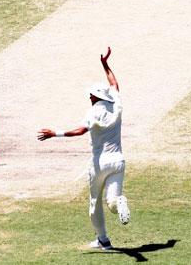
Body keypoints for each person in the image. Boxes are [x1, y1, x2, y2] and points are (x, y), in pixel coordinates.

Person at [37, 47, 130, 250]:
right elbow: (114, 83)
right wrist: (105, 63)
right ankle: (120, 202)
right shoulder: (117, 104)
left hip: (99, 164)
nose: (89, 97)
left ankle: (103, 240)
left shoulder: (94, 112)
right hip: (119, 161)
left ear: (97, 97)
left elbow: (80, 131)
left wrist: (55, 133)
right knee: (113, 201)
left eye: (91, 95)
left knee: (95, 202)